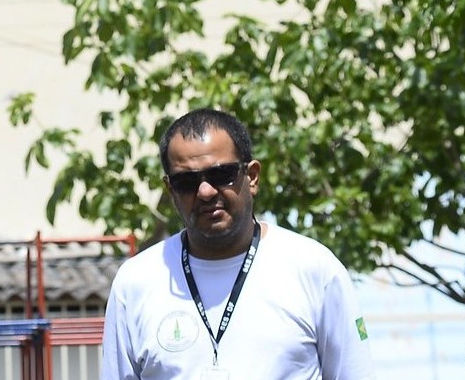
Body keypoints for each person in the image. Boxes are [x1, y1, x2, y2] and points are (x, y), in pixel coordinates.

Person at [99, 108, 375, 380]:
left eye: (221, 175)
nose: (205, 191)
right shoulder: (135, 282)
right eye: (186, 181)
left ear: (252, 176)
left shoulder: (315, 270)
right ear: (170, 190)